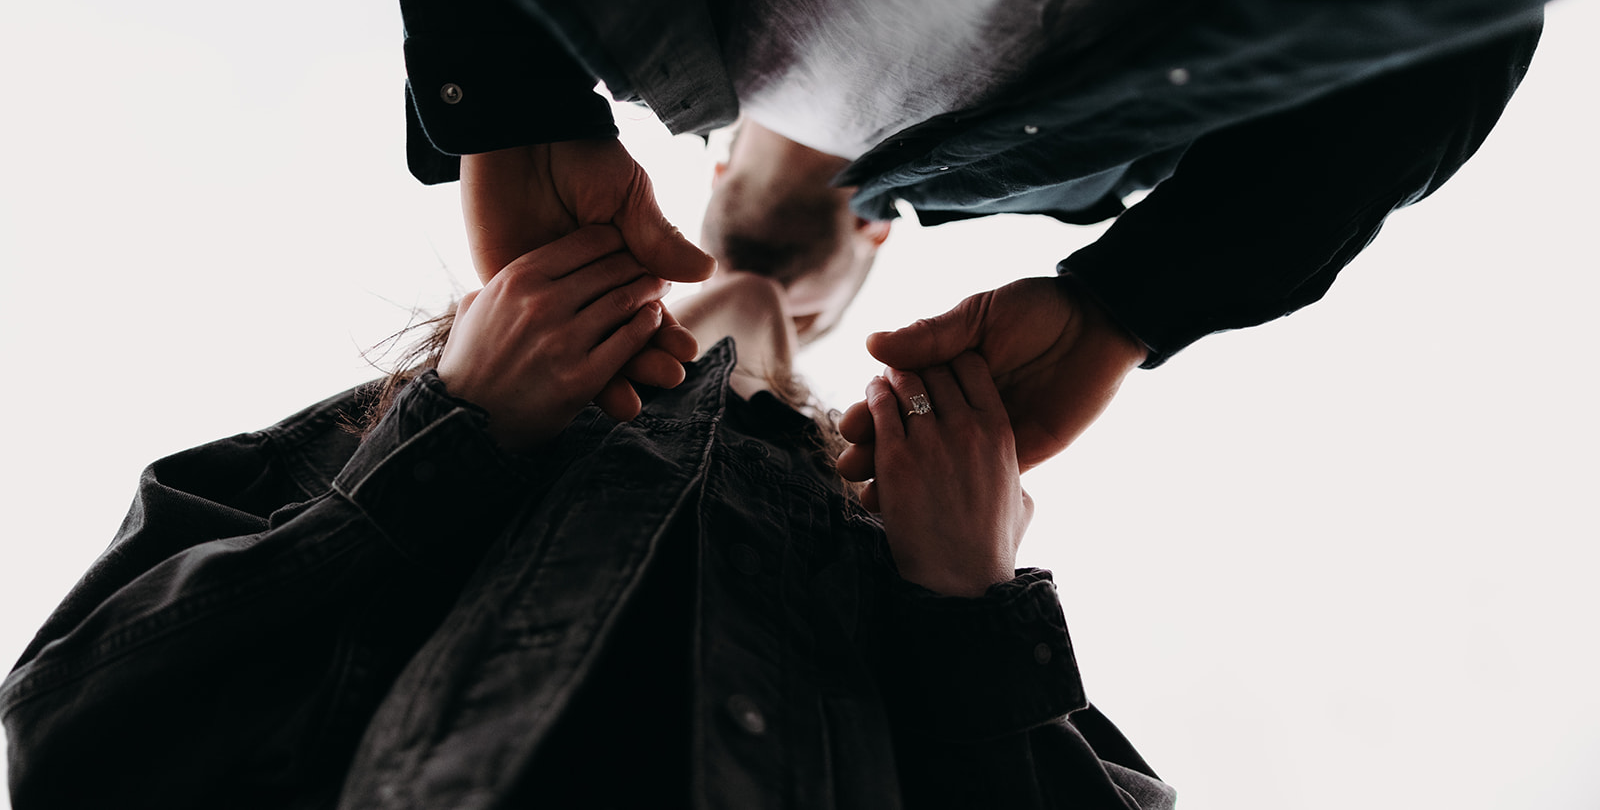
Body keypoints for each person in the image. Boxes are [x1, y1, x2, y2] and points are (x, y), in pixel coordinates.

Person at [372, 0, 1600, 468]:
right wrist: (1127, 304)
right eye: (804, 349)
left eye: (656, 331)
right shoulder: (1098, 171)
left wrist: (511, 85)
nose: (761, 320)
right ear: (875, 252)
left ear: (704, 171)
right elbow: (1465, 29)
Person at [0, 225, 1174, 809]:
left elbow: (78, 734)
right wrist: (966, 606)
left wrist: (459, 421)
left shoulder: (440, 457)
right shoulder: (895, 571)